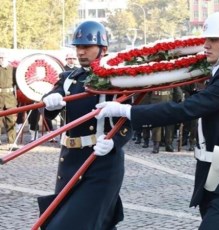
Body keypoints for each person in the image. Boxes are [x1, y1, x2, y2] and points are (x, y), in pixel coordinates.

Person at [95, 11, 219, 230]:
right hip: (216, 173)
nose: (205, 44)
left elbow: (186, 109)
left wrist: (128, 111)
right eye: (206, 39)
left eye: (213, 39)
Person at [37, 20, 132, 229]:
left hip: (101, 162)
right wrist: (50, 101)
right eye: (78, 47)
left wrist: (114, 142)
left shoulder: (116, 79)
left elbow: (128, 120)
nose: (81, 52)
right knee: (94, 222)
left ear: (103, 49)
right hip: (71, 160)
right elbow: (52, 102)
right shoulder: (69, 78)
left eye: (86, 47)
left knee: (74, 223)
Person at [0, 50, 18, 150]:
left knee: (11, 120)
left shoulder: (14, 70)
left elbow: (20, 84)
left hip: (10, 98)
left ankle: (12, 143)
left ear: (7, 58)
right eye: (0, 58)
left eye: (3, 57)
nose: (1, 60)